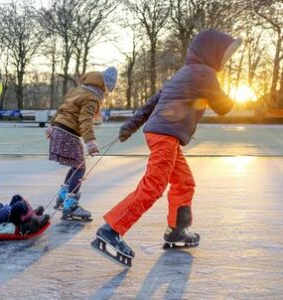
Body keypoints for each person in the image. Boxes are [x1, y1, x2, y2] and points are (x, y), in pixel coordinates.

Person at [91, 29, 241, 267]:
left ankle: (177, 231)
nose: (226, 60)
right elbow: (223, 107)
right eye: (225, 54)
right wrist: (231, 95)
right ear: (213, 52)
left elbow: (152, 102)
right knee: (153, 187)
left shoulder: (183, 73)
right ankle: (111, 230)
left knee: (184, 181)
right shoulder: (204, 73)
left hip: (159, 134)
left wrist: (130, 126)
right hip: (165, 136)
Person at [45, 67, 118, 222]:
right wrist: (90, 141)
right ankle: (70, 205)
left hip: (60, 129)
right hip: (68, 133)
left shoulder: (79, 90)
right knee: (80, 167)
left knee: (75, 165)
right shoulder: (92, 97)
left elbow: (62, 108)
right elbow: (85, 119)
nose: (106, 94)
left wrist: (52, 125)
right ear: (103, 86)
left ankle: (62, 199)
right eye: (107, 90)